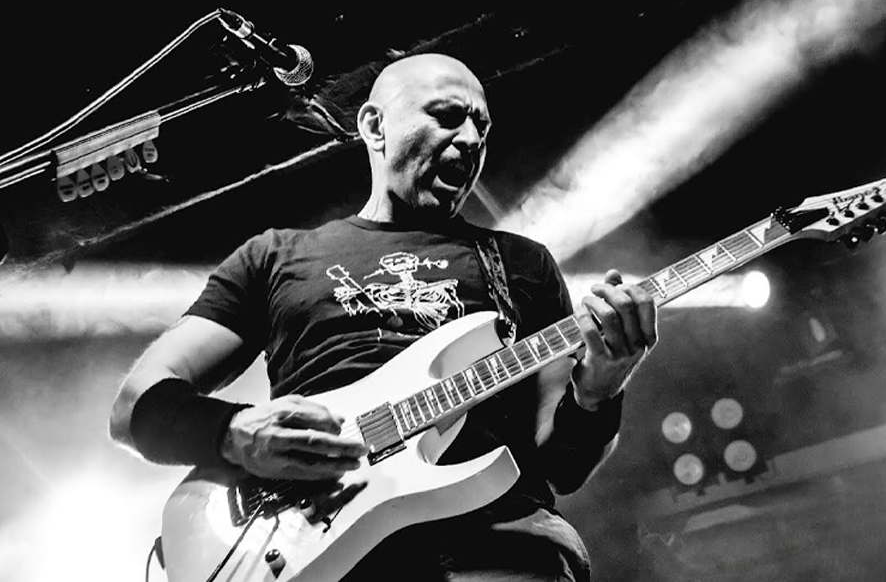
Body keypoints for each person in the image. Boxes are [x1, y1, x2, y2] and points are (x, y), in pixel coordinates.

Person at [109, 52, 657, 581]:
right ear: (375, 126)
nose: (470, 139)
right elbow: (137, 405)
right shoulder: (276, 256)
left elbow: (562, 467)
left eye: (482, 128)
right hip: (314, 545)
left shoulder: (520, 263)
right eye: (447, 116)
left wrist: (602, 386)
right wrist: (233, 432)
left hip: (497, 547)